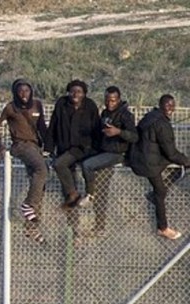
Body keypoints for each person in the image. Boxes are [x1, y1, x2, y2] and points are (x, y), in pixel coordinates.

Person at [0, 78, 49, 243]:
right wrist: (0, 145)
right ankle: (28, 205)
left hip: (35, 146)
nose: (24, 94)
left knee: (39, 184)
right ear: (15, 93)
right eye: (20, 91)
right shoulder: (11, 107)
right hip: (21, 145)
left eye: (27, 90)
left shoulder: (37, 105)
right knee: (42, 170)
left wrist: (49, 146)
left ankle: (31, 226)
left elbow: (42, 127)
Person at [128, 94, 190, 240]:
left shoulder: (149, 116)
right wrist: (187, 161)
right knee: (160, 192)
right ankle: (163, 228)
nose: (170, 108)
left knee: (173, 172)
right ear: (161, 105)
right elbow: (171, 152)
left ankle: (154, 196)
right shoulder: (162, 124)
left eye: (172, 105)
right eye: (168, 105)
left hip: (140, 158)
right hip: (149, 162)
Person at [77, 86, 138, 214]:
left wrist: (118, 132)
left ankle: (90, 195)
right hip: (104, 149)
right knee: (80, 157)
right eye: (107, 100)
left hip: (117, 152)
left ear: (118, 100)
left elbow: (134, 136)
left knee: (87, 165)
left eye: (113, 101)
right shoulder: (105, 113)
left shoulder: (125, 115)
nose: (110, 103)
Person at [48, 79, 100, 209]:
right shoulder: (62, 104)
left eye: (79, 91)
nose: (75, 94)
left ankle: (74, 194)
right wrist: (49, 147)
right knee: (66, 179)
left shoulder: (90, 106)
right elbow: (53, 125)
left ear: (84, 93)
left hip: (83, 148)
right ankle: (71, 204)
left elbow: (97, 128)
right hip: (64, 147)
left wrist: (96, 147)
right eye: (72, 91)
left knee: (59, 164)